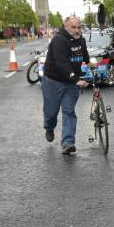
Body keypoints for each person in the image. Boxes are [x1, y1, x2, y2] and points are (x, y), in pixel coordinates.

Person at [42, 16, 90, 154]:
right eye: (73, 27)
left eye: (79, 27)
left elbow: (83, 53)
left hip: (70, 83)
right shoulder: (58, 40)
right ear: (65, 26)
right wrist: (76, 79)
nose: (77, 30)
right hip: (53, 80)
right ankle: (49, 127)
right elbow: (61, 64)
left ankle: (68, 143)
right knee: (51, 112)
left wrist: (88, 62)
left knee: (69, 111)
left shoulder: (80, 39)